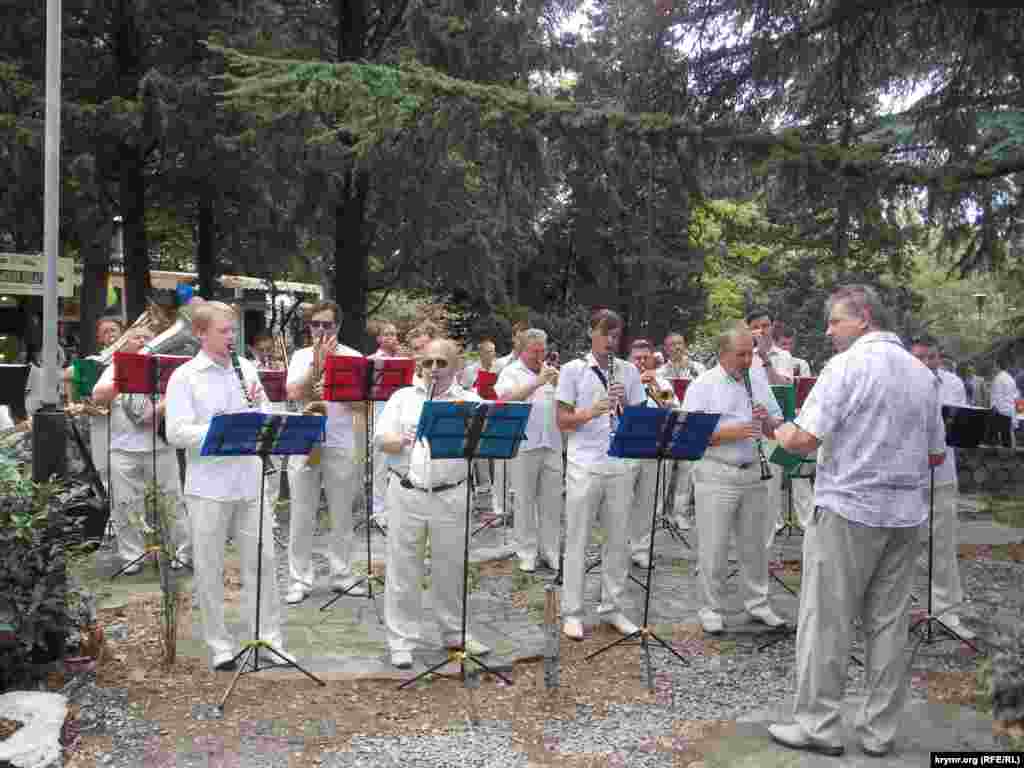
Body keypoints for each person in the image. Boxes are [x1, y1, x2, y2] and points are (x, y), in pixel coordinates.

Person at [768, 285, 945, 758]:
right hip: (904, 516)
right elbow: (935, 453)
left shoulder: (845, 366)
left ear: (863, 317)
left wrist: (777, 428)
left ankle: (819, 725)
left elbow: (802, 441)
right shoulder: (922, 373)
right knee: (889, 626)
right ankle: (880, 733)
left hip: (848, 511)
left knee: (827, 620)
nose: (828, 331)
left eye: (835, 321)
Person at [165, 301, 290, 671]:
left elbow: (263, 413)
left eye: (233, 331)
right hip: (208, 486)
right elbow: (175, 432)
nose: (231, 337)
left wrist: (265, 414)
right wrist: (220, 428)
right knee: (209, 566)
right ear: (201, 334)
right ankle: (219, 644)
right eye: (224, 331)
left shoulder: (245, 367)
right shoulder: (184, 377)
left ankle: (269, 639)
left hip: (250, 481)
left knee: (263, 562)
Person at [376, 338, 490, 669]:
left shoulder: (470, 401)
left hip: (452, 493)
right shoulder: (402, 398)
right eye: (428, 362)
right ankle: (401, 640)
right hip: (407, 491)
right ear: (420, 365)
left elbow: (484, 445)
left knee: (451, 568)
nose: (435, 369)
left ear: (456, 366)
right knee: (402, 569)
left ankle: (454, 633)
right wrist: (404, 439)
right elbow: (382, 440)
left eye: (442, 362)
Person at [681, 321, 787, 635]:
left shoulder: (756, 377)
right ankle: (710, 608)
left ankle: (758, 604)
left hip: (753, 471)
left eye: (750, 354)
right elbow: (690, 434)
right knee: (713, 547)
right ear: (723, 354)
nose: (747, 360)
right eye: (741, 355)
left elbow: (774, 426)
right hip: (717, 473)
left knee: (754, 545)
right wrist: (736, 430)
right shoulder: (704, 384)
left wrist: (766, 419)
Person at [556, 309, 644, 641]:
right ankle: (572, 612)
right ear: (591, 333)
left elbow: (640, 418)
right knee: (578, 539)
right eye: (605, 333)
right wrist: (590, 411)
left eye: (615, 334)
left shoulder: (628, 370)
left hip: (620, 463)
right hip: (585, 464)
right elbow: (562, 421)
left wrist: (625, 408)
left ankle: (614, 607)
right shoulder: (573, 370)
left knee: (618, 541)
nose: (610, 340)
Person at [283, 301, 367, 604]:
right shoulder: (301, 356)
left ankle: (342, 575)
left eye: (327, 325)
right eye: (315, 324)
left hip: (340, 440)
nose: (320, 330)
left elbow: (363, 407)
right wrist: (315, 370)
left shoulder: (354, 358)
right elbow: (293, 393)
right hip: (303, 441)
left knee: (342, 514)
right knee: (301, 514)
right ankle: (299, 579)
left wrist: (338, 389)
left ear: (338, 327)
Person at [91, 325, 191, 574]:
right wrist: (126, 377)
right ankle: (131, 556)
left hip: (161, 446)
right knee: (125, 506)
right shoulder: (115, 367)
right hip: (123, 449)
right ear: (126, 343)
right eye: (137, 337)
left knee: (173, 502)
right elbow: (98, 396)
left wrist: (164, 403)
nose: (143, 341)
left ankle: (182, 552)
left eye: (148, 338)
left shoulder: (168, 370)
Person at [909, 336, 974, 641]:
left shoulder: (952, 383)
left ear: (939, 358)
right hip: (908, 477)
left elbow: (960, 428)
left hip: (943, 474)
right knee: (901, 548)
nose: (925, 362)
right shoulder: (900, 383)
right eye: (919, 357)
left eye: (930, 357)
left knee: (943, 548)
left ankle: (946, 611)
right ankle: (900, 612)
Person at [494, 328, 562, 573]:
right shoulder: (511, 372)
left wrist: (560, 385)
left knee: (552, 502)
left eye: (543, 350)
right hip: (524, 444)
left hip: (552, 444)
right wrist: (537, 382)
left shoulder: (552, 372)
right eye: (535, 351)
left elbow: (566, 405)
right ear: (523, 350)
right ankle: (526, 552)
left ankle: (551, 551)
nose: (540, 355)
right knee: (524, 501)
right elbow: (505, 401)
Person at [628, 339, 677, 569]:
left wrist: (655, 383)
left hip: (653, 448)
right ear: (629, 359)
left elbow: (671, 408)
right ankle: (620, 547)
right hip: (626, 449)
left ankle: (641, 549)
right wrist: (636, 384)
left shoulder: (662, 382)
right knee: (622, 502)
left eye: (644, 358)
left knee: (648, 504)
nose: (640, 362)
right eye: (636, 358)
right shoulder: (623, 379)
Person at [656, 331, 705, 531]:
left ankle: (681, 514)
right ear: (666, 349)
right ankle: (660, 514)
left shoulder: (698, 369)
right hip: (669, 424)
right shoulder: (660, 374)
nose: (677, 347)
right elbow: (664, 399)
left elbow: (706, 392)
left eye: (680, 343)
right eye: (672, 344)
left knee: (687, 471)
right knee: (665, 470)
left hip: (691, 423)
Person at [368, 321, 402, 530]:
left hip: (400, 418)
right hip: (380, 416)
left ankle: (396, 509)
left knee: (398, 464)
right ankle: (378, 511)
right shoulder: (371, 361)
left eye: (394, 334)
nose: (392, 338)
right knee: (380, 467)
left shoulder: (403, 362)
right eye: (387, 334)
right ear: (379, 338)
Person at [746, 309, 794, 384]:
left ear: (772, 327)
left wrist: (764, 357)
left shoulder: (784, 355)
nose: (761, 330)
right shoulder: (744, 356)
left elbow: (784, 386)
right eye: (755, 327)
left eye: (765, 326)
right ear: (749, 331)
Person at [991, 351, 1020, 443]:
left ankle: (1005, 454)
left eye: (994, 365)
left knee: (1004, 435)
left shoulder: (998, 378)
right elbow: (1016, 394)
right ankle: (1010, 453)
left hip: (1001, 410)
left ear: (998, 366)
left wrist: (994, 408)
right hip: (1010, 409)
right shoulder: (1010, 378)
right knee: (1009, 433)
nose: (993, 368)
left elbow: (997, 396)